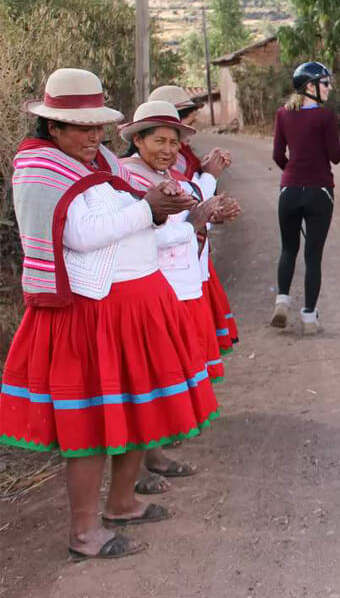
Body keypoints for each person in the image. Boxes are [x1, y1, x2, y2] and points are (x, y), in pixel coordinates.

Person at [0, 68, 218, 560]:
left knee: (138, 409)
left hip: (134, 303)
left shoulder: (94, 161)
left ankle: (121, 504)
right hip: (94, 312)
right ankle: (83, 534)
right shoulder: (43, 171)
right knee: (91, 424)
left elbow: (130, 214)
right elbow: (80, 235)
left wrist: (166, 209)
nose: (94, 135)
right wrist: (148, 209)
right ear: (52, 127)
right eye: (81, 126)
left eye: (98, 125)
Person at [121, 100, 239, 495]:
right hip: (151, 291)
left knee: (162, 378)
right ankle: (137, 470)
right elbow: (142, 238)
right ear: (137, 140)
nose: (169, 149)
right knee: (147, 380)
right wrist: (198, 220)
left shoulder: (169, 175)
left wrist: (206, 215)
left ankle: (152, 457)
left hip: (179, 288)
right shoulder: (127, 181)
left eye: (174, 141)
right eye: (159, 140)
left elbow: (186, 223)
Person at [272, 62, 340, 333]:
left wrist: (293, 173)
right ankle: (309, 318)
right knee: (313, 256)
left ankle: (282, 301)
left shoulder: (283, 114)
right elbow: (334, 155)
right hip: (319, 192)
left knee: (288, 249)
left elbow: (278, 156)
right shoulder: (325, 117)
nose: (329, 88)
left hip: (289, 191)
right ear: (310, 86)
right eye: (325, 83)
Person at [149, 85, 239, 352]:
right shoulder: (155, 168)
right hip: (171, 278)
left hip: (189, 263)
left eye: (174, 141)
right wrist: (210, 176)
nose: (169, 149)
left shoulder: (182, 157)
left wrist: (213, 214)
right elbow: (183, 212)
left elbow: (192, 208)